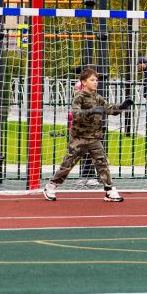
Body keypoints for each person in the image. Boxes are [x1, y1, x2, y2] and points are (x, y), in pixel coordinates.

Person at [44, 67, 133, 203]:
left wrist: (122, 106)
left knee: (102, 163)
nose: (95, 82)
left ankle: (110, 191)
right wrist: (91, 111)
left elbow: (110, 110)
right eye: (92, 80)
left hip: (93, 138)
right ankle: (51, 186)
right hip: (79, 138)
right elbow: (76, 114)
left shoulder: (98, 98)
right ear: (84, 82)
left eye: (96, 80)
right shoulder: (79, 97)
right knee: (68, 164)